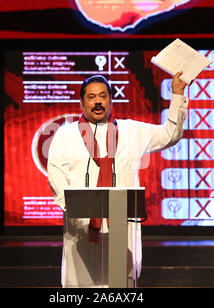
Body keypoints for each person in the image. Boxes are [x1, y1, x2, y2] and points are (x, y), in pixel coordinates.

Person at [47, 73, 188, 287]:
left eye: (103, 96)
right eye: (91, 97)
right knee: (82, 284)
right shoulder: (66, 134)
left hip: (121, 226)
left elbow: (170, 135)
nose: (97, 102)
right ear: (82, 102)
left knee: (120, 284)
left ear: (111, 100)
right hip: (82, 228)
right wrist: (74, 207)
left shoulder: (132, 131)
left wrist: (177, 94)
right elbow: (56, 172)